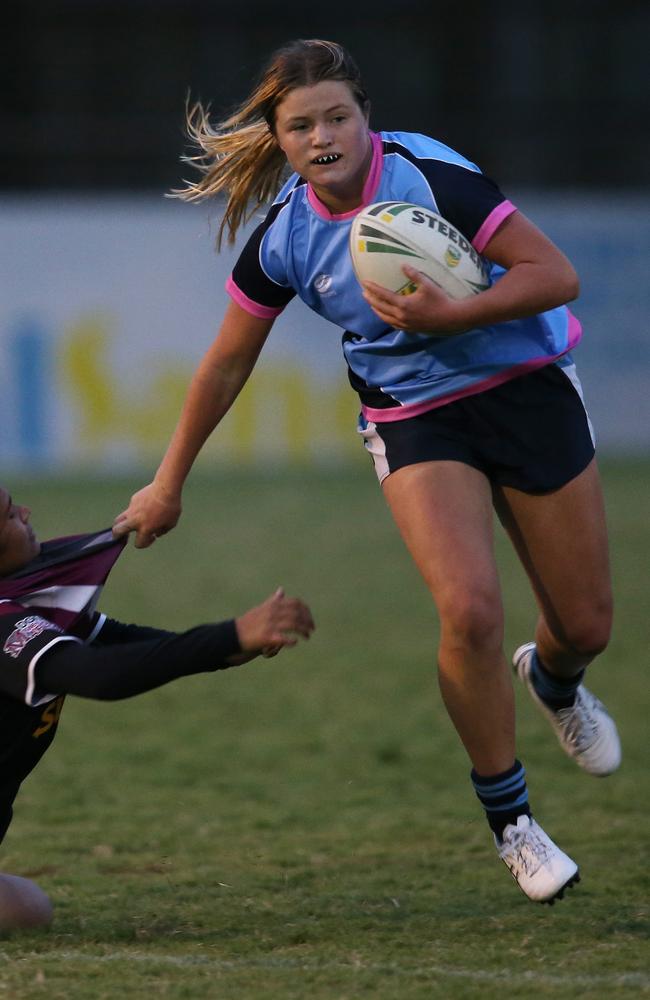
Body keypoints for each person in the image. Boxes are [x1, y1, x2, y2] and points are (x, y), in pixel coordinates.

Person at [113, 39, 620, 905]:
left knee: (586, 625)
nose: (323, 137)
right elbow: (227, 365)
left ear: (365, 118)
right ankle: (514, 824)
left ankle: (555, 679)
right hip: (414, 416)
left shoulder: (432, 177)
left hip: (525, 387)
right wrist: (168, 481)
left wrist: (457, 312)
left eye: (337, 117)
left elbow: (555, 274)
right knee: (468, 609)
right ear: (279, 139)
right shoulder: (285, 237)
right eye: (301, 125)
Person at [0, 485, 314, 929]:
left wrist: (227, 646)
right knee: (26, 911)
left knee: (26, 912)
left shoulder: (25, 606)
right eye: (11, 514)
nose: (27, 513)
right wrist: (230, 635)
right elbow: (99, 675)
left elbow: (120, 644)